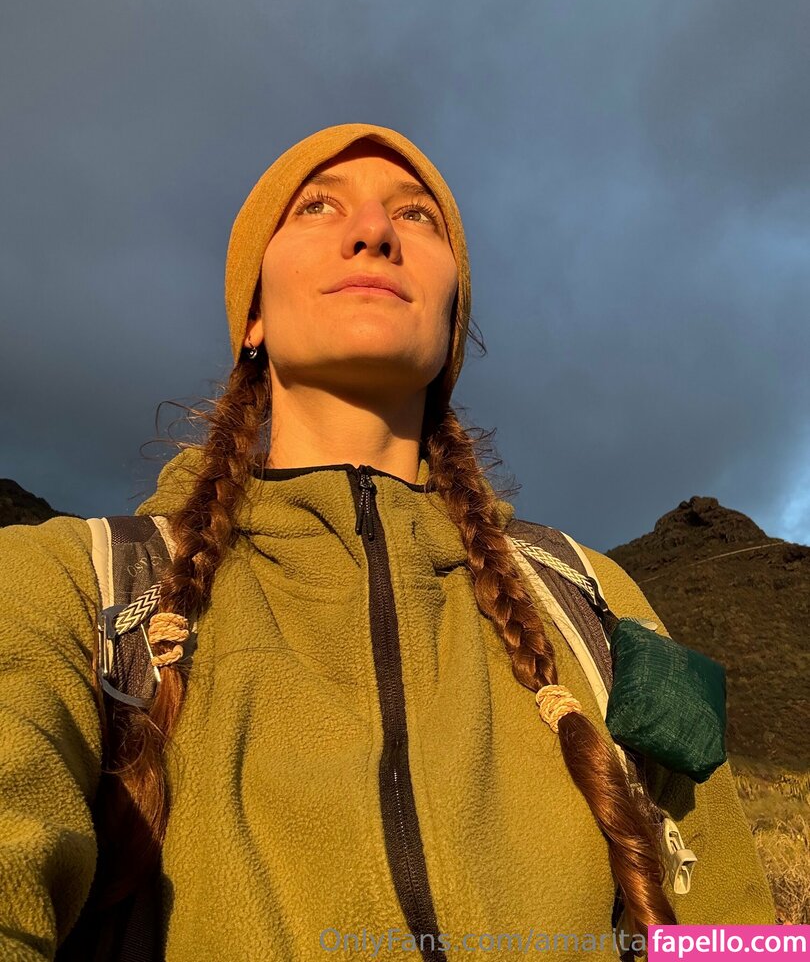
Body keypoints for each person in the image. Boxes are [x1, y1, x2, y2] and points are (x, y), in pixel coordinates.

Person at [0, 123, 775, 961]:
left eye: (416, 216)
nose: (372, 231)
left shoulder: (593, 599)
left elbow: (737, 931)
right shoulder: (69, 584)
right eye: (316, 207)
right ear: (252, 314)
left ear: (451, 321)